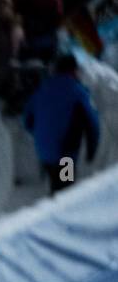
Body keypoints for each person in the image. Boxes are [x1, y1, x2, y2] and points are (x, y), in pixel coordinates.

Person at [24, 54, 101, 194]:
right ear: (73, 70)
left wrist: (41, 135)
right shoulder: (78, 91)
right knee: (65, 195)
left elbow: (27, 120)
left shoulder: (41, 89)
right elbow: (92, 123)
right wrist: (92, 149)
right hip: (66, 155)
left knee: (56, 187)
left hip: (44, 152)